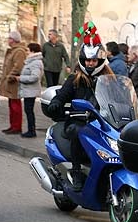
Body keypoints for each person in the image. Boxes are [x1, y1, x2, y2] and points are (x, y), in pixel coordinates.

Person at [42, 33, 114, 191]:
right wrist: (55, 103)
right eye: (88, 60)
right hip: (79, 120)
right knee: (78, 132)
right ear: (83, 60)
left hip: (103, 122)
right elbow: (62, 95)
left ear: (100, 61)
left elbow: (118, 98)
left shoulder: (110, 79)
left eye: (94, 60)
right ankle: (76, 171)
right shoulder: (75, 79)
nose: (90, 63)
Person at [0, 31, 29, 134]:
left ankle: (16, 127)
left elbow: (18, 66)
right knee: (11, 104)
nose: (8, 40)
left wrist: (10, 76)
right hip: (10, 82)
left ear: (13, 40)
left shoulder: (19, 51)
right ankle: (12, 126)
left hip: (14, 82)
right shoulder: (13, 51)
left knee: (15, 105)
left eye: (9, 38)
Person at [18, 42, 44, 138]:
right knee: (28, 110)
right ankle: (30, 129)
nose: (26, 52)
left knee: (29, 111)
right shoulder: (32, 61)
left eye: (28, 51)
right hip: (29, 91)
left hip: (31, 91)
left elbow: (35, 77)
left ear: (33, 51)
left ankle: (31, 131)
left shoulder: (36, 62)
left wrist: (20, 78)